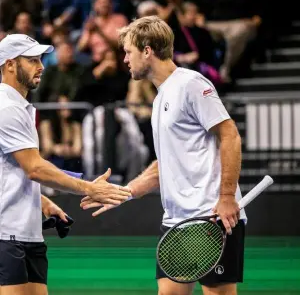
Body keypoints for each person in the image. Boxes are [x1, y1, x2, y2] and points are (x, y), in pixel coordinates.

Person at [81, 16, 246, 295]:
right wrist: (125, 192)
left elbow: (230, 136)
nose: (125, 60)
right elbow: (164, 165)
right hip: (176, 221)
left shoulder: (192, 84)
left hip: (211, 216)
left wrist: (227, 197)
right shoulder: (159, 98)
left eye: (128, 51)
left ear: (147, 50)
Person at [0, 34, 131, 295]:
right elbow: (34, 168)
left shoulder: (20, 106)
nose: (41, 66)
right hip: (6, 234)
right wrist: (88, 188)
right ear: (10, 65)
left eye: (40, 59)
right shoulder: (6, 108)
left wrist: (44, 203)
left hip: (27, 233)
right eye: (32, 60)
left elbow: (15, 167)